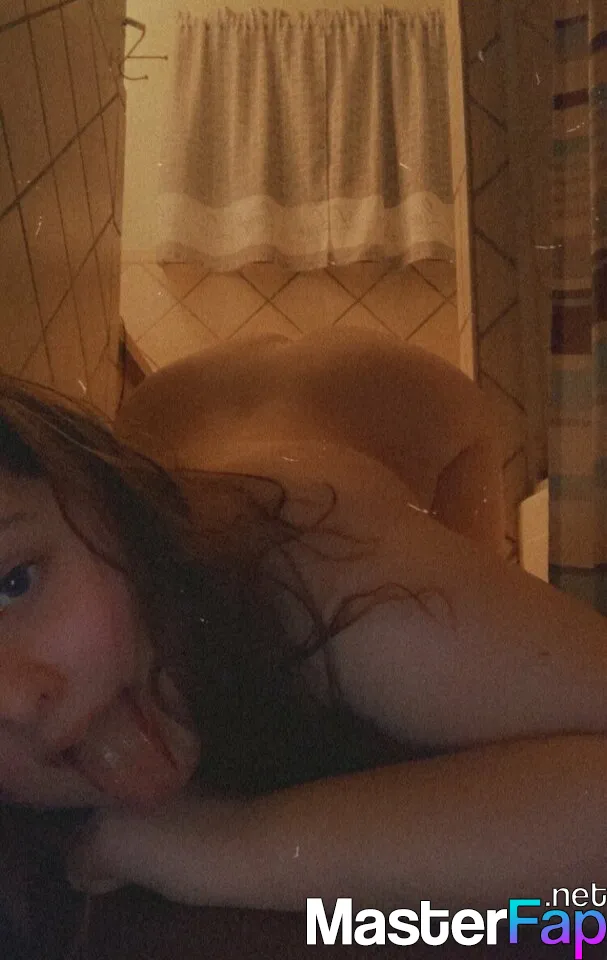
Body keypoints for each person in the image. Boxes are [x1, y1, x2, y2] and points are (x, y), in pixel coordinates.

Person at [1, 327, 607, 955]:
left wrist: (225, 846)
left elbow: (575, 889)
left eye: (15, 582)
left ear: (110, 503)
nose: (15, 701)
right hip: (179, 413)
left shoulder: (319, 559)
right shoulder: (89, 594)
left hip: (406, 408)